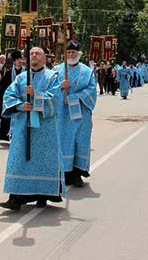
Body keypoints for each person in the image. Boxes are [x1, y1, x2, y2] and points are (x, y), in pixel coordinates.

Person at [0, 47, 64, 211]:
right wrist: (21, 106)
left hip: (44, 128)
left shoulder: (53, 77)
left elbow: (55, 100)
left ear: (44, 58)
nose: (34, 55)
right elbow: (8, 96)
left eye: (38, 53)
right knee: (19, 159)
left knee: (43, 159)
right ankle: (15, 198)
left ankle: (42, 195)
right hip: (23, 126)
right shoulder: (21, 78)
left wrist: (35, 95)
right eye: (31, 53)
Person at [55, 40, 97, 188]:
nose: (71, 55)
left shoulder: (86, 71)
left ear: (78, 53)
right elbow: (51, 89)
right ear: (65, 54)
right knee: (64, 141)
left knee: (80, 141)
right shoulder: (57, 70)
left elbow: (92, 90)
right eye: (68, 52)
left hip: (80, 113)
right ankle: (64, 173)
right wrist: (61, 89)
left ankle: (78, 174)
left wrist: (73, 98)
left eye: (73, 52)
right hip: (62, 114)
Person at [0, 50, 23, 141]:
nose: (19, 61)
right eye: (17, 59)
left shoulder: (26, 72)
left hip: (23, 99)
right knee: (9, 117)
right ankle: (9, 135)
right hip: (12, 99)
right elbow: (3, 87)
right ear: (14, 62)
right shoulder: (9, 73)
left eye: (20, 59)